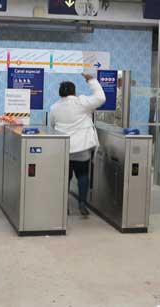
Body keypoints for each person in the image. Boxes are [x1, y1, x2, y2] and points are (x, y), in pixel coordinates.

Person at [49, 73, 106, 216]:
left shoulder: (54, 107)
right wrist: (91, 80)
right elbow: (101, 97)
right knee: (82, 174)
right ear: (74, 92)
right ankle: (82, 203)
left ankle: (64, 205)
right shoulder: (82, 102)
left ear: (60, 93)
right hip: (81, 148)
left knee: (64, 176)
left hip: (63, 148)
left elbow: (52, 124)